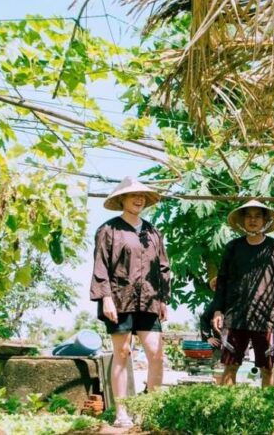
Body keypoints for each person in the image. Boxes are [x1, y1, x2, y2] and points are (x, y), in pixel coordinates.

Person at [90, 177, 170, 429]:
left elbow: (164, 267)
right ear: (121, 199)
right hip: (119, 298)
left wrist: (164, 299)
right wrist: (105, 298)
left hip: (149, 299)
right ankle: (121, 411)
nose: (139, 199)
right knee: (122, 353)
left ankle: (150, 410)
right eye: (133, 195)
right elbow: (100, 266)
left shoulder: (153, 232)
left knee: (156, 354)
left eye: (143, 196)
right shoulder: (108, 230)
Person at [211, 200, 274, 387]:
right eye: (248, 216)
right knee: (230, 365)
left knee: (268, 367)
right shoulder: (233, 247)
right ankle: (228, 412)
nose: (253, 220)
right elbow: (222, 280)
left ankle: (269, 412)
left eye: (258, 216)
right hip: (235, 315)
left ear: (265, 220)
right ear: (242, 220)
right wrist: (218, 310)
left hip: (266, 316)